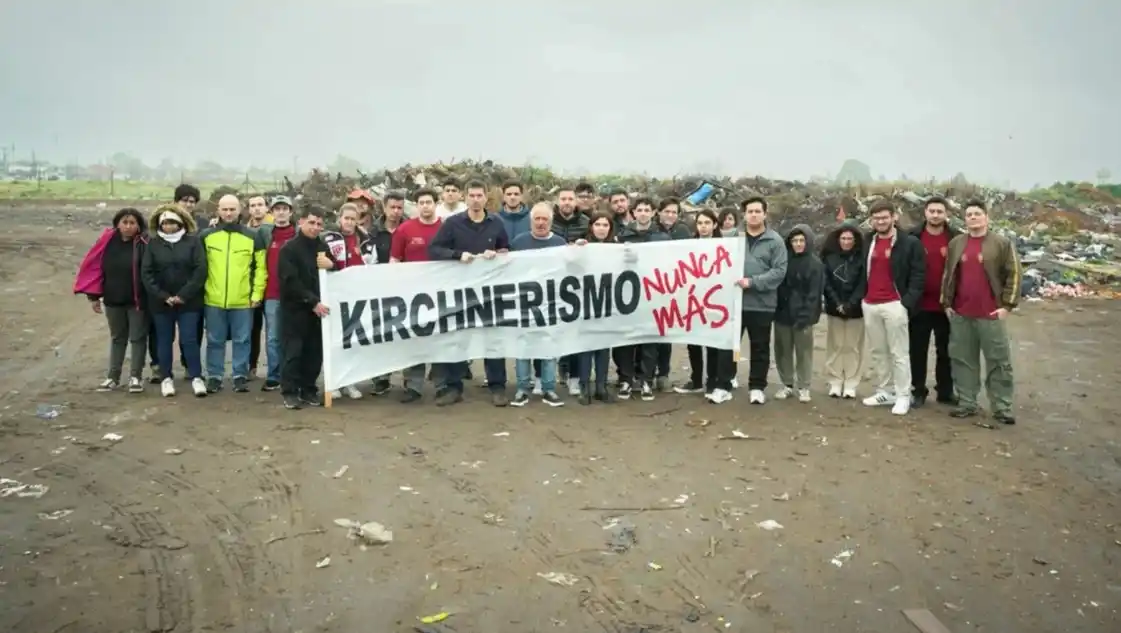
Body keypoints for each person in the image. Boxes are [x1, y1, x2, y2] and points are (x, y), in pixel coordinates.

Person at [427, 179, 511, 407]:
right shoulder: (453, 224)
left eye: (479, 195)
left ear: (486, 197)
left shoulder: (497, 222)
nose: (475, 200)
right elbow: (434, 249)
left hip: (489, 292)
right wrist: (457, 255)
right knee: (458, 337)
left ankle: (497, 386)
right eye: (471, 195)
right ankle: (454, 387)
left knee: (492, 338)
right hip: (460, 292)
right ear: (466, 198)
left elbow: (506, 249)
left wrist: (498, 253)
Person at [941, 200, 1020, 425]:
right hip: (961, 313)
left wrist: (1006, 306)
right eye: (969, 214)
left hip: (991, 314)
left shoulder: (1001, 243)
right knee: (963, 360)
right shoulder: (957, 243)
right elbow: (948, 275)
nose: (973, 217)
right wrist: (946, 303)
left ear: (986, 217)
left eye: (977, 214)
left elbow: (1014, 274)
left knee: (999, 362)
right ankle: (967, 402)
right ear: (964, 219)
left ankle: (1002, 407)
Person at [859, 200, 926, 415]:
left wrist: (906, 302)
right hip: (870, 304)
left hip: (894, 304)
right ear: (871, 220)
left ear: (894, 217)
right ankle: (885, 391)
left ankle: (903, 395)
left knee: (899, 353)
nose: (880, 221)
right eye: (876, 218)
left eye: (884, 217)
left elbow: (918, 275)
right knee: (879, 351)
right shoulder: (868, 241)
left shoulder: (909, 243)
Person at [74, 208, 150, 393]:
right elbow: (95, 268)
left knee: (137, 339)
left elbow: (151, 272)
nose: (128, 226)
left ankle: (135, 377)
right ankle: (112, 377)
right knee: (117, 338)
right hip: (113, 300)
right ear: (117, 224)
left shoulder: (144, 243)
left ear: (139, 225)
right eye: (124, 222)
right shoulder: (107, 242)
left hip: (137, 301)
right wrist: (93, 296)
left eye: (133, 223)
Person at [198, 194, 267, 394]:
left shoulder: (253, 236)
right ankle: (215, 376)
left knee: (242, 340)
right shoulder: (206, 236)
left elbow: (260, 268)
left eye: (232, 209)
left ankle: (239, 376)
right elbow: (199, 268)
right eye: (225, 209)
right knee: (214, 340)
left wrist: (256, 294)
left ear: (240, 211)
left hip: (243, 300)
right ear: (218, 211)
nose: (228, 213)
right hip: (213, 299)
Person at [141, 205, 208, 398]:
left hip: (189, 302)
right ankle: (166, 379)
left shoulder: (193, 242)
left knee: (189, 340)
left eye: (172, 222)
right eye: (165, 223)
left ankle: (196, 377)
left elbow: (200, 270)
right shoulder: (153, 244)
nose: (168, 226)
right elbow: (147, 273)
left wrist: (183, 295)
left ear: (180, 223)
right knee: (164, 340)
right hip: (161, 304)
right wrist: (164, 296)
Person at [507, 203, 568, 407]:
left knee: (548, 347)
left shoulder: (560, 243)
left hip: (550, 304)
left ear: (551, 221)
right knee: (523, 347)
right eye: (537, 219)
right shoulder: (519, 242)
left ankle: (549, 389)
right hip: (523, 304)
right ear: (531, 220)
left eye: (545, 219)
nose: (541, 223)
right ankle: (523, 388)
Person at [672, 210, 735, 403]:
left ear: (715, 225)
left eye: (708, 222)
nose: (704, 226)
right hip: (693, 301)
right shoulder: (690, 245)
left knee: (714, 343)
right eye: (700, 223)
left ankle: (714, 380)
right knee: (694, 342)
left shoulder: (725, 246)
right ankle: (696, 379)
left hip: (717, 301)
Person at [278, 207, 335, 410]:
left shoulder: (322, 247)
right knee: (294, 352)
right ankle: (290, 391)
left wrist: (331, 265)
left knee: (314, 353)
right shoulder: (289, 249)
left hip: (318, 311)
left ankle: (308, 389)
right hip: (295, 310)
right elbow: (290, 281)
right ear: (301, 221)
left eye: (319, 224)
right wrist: (312, 301)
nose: (315, 227)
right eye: (311, 223)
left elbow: (333, 274)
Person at [391, 188, 445, 403]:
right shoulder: (404, 230)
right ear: (416, 205)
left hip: (441, 294)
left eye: (429, 202)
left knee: (440, 340)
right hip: (412, 297)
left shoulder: (446, 228)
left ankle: (442, 385)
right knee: (414, 339)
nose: (425, 206)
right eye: (421, 202)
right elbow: (394, 261)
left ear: (435, 204)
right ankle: (413, 386)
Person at [735, 196, 788, 404]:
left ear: (765, 214)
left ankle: (757, 386)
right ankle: (727, 379)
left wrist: (753, 282)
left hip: (762, 305)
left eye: (758, 211)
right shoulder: (735, 238)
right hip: (735, 303)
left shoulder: (775, 241)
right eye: (750, 211)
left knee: (760, 347)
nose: (754, 215)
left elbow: (779, 271)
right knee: (732, 346)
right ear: (744, 214)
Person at [909, 196, 961, 407]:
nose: (935, 215)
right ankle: (918, 390)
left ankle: (945, 391)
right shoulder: (913, 236)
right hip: (919, 304)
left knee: (947, 351)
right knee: (917, 350)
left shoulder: (956, 238)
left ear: (946, 214)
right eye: (932, 211)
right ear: (925, 212)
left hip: (946, 305)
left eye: (940, 211)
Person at [615, 197, 668, 401]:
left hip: (653, 294)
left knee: (649, 340)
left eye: (647, 209)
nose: (644, 213)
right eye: (640, 210)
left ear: (653, 213)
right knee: (626, 339)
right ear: (633, 213)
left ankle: (646, 379)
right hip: (628, 295)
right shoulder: (622, 237)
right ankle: (626, 379)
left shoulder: (662, 238)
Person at [773, 224, 825, 402]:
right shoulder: (783, 260)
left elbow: (814, 294)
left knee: (804, 352)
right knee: (783, 351)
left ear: (808, 241)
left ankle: (804, 386)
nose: (798, 244)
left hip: (803, 315)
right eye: (795, 241)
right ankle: (787, 383)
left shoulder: (815, 264)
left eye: (802, 240)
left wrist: (806, 316)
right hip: (782, 314)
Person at [325, 203, 370, 401]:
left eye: (353, 219)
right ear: (340, 219)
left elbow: (372, 263)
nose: (349, 222)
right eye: (346, 218)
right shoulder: (328, 239)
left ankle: (350, 382)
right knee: (334, 340)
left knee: (353, 340)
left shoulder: (365, 239)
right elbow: (323, 263)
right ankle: (334, 382)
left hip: (357, 295)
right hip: (334, 296)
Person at [572, 211, 617, 405]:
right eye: (597, 224)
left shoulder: (616, 247)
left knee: (603, 348)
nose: (601, 228)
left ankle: (601, 386)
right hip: (585, 302)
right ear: (591, 226)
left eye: (605, 225)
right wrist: (574, 250)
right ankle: (584, 386)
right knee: (586, 347)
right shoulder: (581, 246)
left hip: (608, 303)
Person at [549, 185, 591, 394]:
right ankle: (560, 369)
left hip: (577, 283)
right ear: (557, 201)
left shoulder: (585, 222)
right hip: (553, 282)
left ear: (575, 202)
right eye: (563, 199)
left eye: (570, 199)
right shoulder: (550, 221)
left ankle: (573, 374)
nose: (566, 202)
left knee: (574, 328)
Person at [255, 196, 298, 392]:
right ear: (271, 212)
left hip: (296, 295)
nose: (281, 212)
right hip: (272, 294)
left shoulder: (298, 234)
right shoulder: (264, 234)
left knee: (294, 336)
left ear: (291, 211)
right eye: (277, 209)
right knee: (273, 337)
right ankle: (274, 375)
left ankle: (293, 375)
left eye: (285, 208)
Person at [651, 197, 693, 392]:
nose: (670, 215)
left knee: (665, 334)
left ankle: (663, 374)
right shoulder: (651, 230)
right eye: (667, 211)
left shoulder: (683, 231)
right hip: (651, 287)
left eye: (674, 212)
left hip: (674, 288)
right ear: (659, 212)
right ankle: (646, 375)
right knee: (649, 335)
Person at [821, 222, 866, 398]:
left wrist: (851, 303)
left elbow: (863, 283)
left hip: (856, 309)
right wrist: (837, 303)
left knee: (853, 347)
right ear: (837, 239)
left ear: (855, 241)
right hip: (834, 307)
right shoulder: (829, 258)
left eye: (850, 239)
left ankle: (851, 383)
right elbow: (826, 283)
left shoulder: (862, 258)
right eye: (843, 238)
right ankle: (835, 380)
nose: (846, 242)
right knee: (836, 345)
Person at [245, 195, 271, 381]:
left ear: (267, 208)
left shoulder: (275, 228)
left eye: (260, 205)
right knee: (252, 329)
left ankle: (275, 369)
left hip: (272, 287)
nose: (256, 209)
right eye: (253, 206)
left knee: (274, 331)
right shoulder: (244, 230)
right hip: (251, 286)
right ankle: (251, 366)